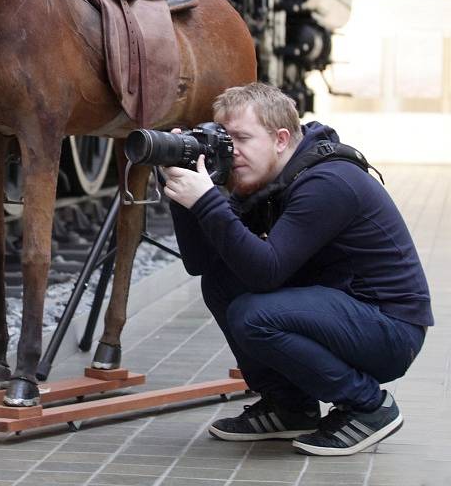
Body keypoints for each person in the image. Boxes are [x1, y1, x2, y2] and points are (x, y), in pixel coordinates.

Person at [162, 82, 432, 456]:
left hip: (389, 329)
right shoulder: (271, 180)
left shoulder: (328, 182)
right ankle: (290, 407)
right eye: (225, 139)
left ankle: (369, 407)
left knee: (254, 315)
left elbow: (266, 272)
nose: (231, 151)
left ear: (280, 139)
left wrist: (207, 200)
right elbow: (201, 263)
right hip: (344, 313)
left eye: (242, 138)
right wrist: (183, 191)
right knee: (221, 281)